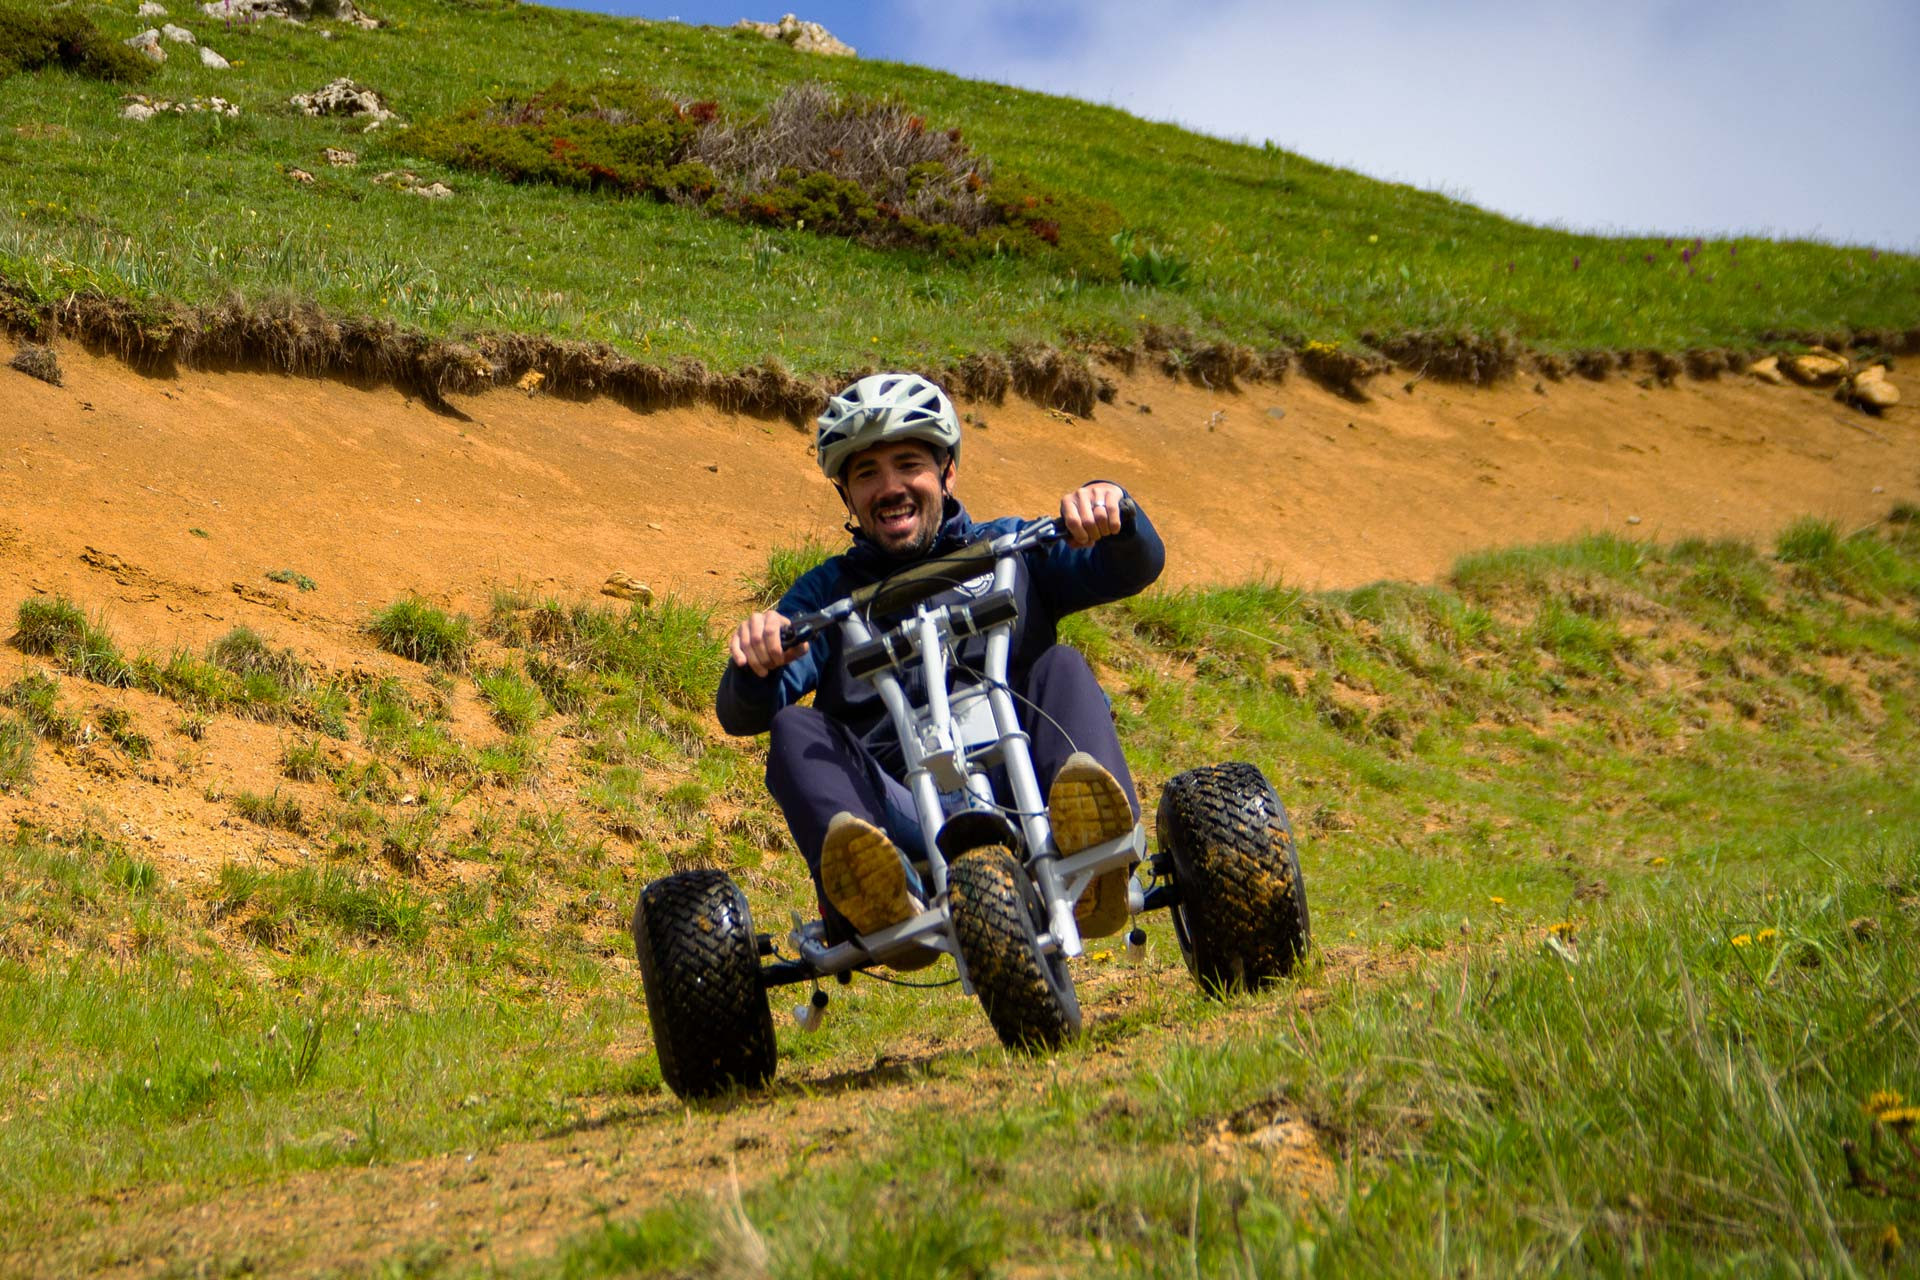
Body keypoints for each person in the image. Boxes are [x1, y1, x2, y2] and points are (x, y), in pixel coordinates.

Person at [717, 372, 1165, 946]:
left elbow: (1131, 567)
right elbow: (745, 712)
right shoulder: (826, 596)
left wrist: (1112, 507)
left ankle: (1092, 845)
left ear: (948, 471)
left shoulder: (1010, 550)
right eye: (866, 473)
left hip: (1033, 783)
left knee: (1061, 666)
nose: (890, 488)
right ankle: (878, 891)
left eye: (908, 464)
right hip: (901, 810)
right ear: (847, 495)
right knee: (794, 727)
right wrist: (757, 661)